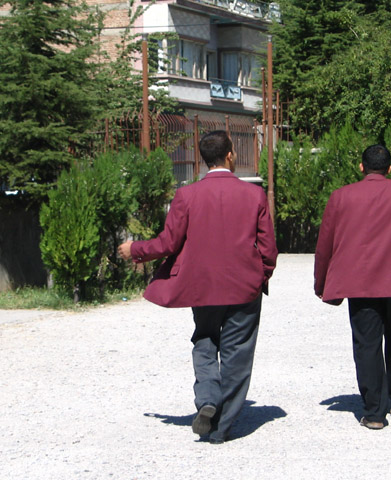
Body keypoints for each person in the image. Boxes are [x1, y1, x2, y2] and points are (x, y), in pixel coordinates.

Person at [118, 131, 277, 444]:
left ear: (205, 160)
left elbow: (168, 242)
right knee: (238, 353)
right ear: (230, 155)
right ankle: (222, 427)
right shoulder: (254, 195)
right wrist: (261, 276)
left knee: (205, 339)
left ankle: (207, 396)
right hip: (244, 286)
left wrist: (135, 249)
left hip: (202, 286)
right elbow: (268, 248)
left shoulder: (186, 196)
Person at [314, 144, 391, 430]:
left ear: (361, 167)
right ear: (390, 168)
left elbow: (325, 245)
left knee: (367, 344)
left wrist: (320, 282)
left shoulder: (340, 197)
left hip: (358, 284)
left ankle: (374, 412)